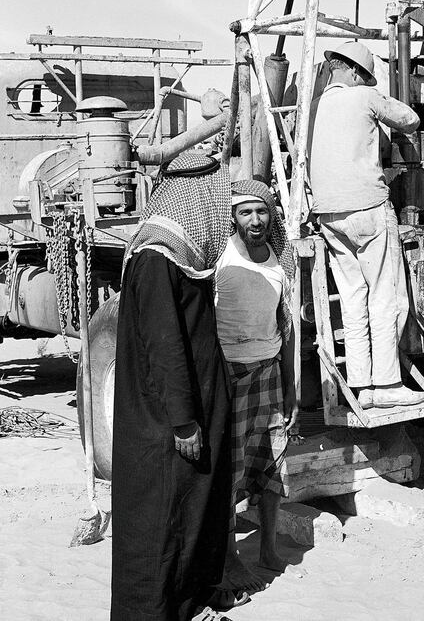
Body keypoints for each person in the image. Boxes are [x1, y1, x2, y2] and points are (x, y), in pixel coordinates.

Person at [111, 151, 233, 621]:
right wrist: (183, 422)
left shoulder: (175, 258)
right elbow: (165, 349)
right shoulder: (157, 259)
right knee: (160, 524)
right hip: (166, 426)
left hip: (187, 416)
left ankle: (184, 606)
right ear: (195, 198)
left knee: (185, 519)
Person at [308, 40, 424, 410]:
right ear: (357, 72)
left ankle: (362, 385)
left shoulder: (313, 108)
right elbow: (411, 119)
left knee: (352, 298)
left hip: (328, 214)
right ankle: (389, 384)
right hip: (367, 208)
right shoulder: (365, 96)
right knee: (385, 296)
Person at [215, 179, 297, 576]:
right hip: (229, 373)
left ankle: (267, 549)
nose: (255, 219)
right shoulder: (220, 253)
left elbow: (287, 328)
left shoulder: (279, 259)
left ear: (271, 216)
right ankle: (228, 554)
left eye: (261, 211)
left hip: (268, 373)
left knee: (271, 464)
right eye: (245, 212)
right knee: (230, 467)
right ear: (233, 217)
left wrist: (292, 386)